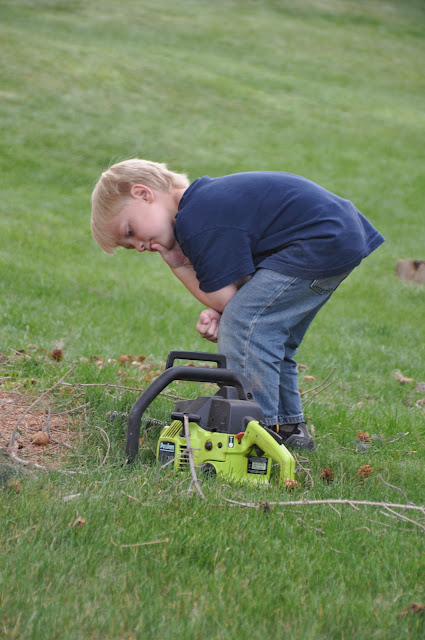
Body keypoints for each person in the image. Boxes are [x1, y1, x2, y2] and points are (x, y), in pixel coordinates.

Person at [91, 159, 384, 450]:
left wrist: (179, 264)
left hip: (319, 238)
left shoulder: (195, 220)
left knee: (245, 324)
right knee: (268, 335)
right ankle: (288, 428)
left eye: (130, 232)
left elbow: (230, 304)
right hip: (335, 234)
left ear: (143, 194)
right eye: (130, 246)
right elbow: (239, 290)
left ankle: (254, 437)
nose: (139, 246)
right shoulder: (205, 205)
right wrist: (227, 310)